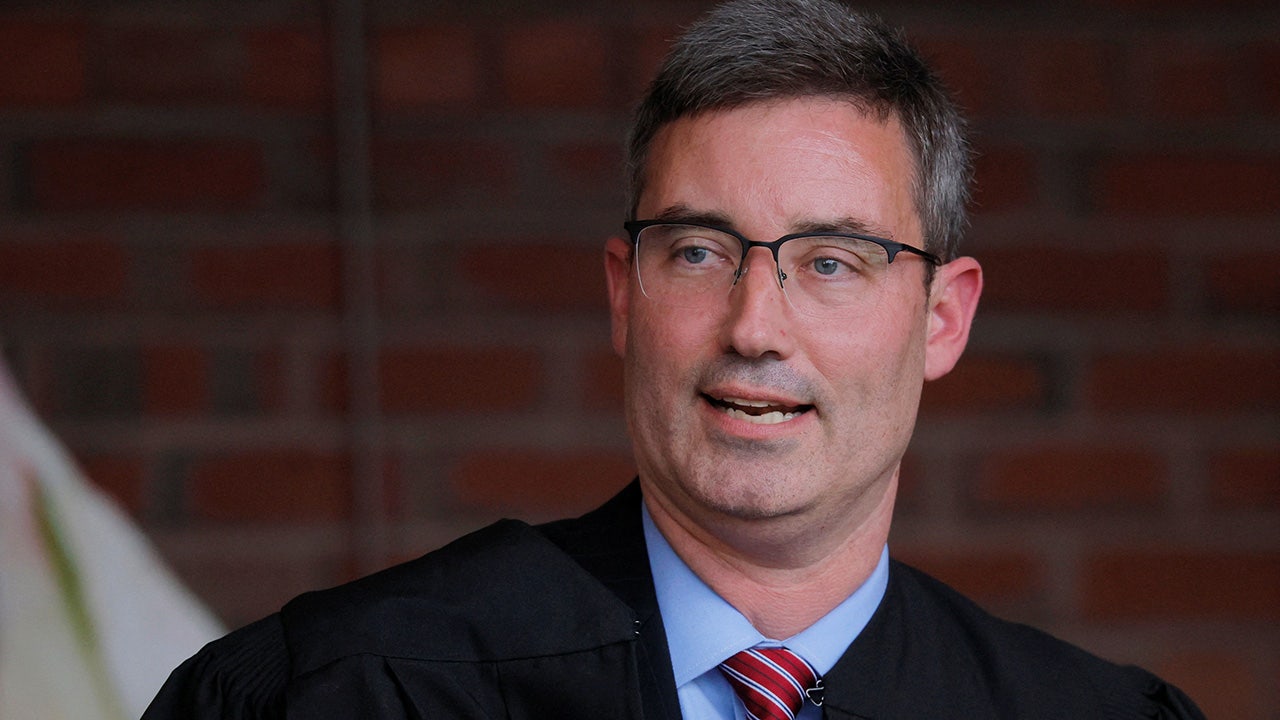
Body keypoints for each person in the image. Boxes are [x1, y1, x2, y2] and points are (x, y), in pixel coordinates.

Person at [144, 0, 1205, 717]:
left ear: (941, 319)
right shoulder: (356, 690)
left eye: (831, 262)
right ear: (624, 292)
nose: (754, 326)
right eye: (698, 251)